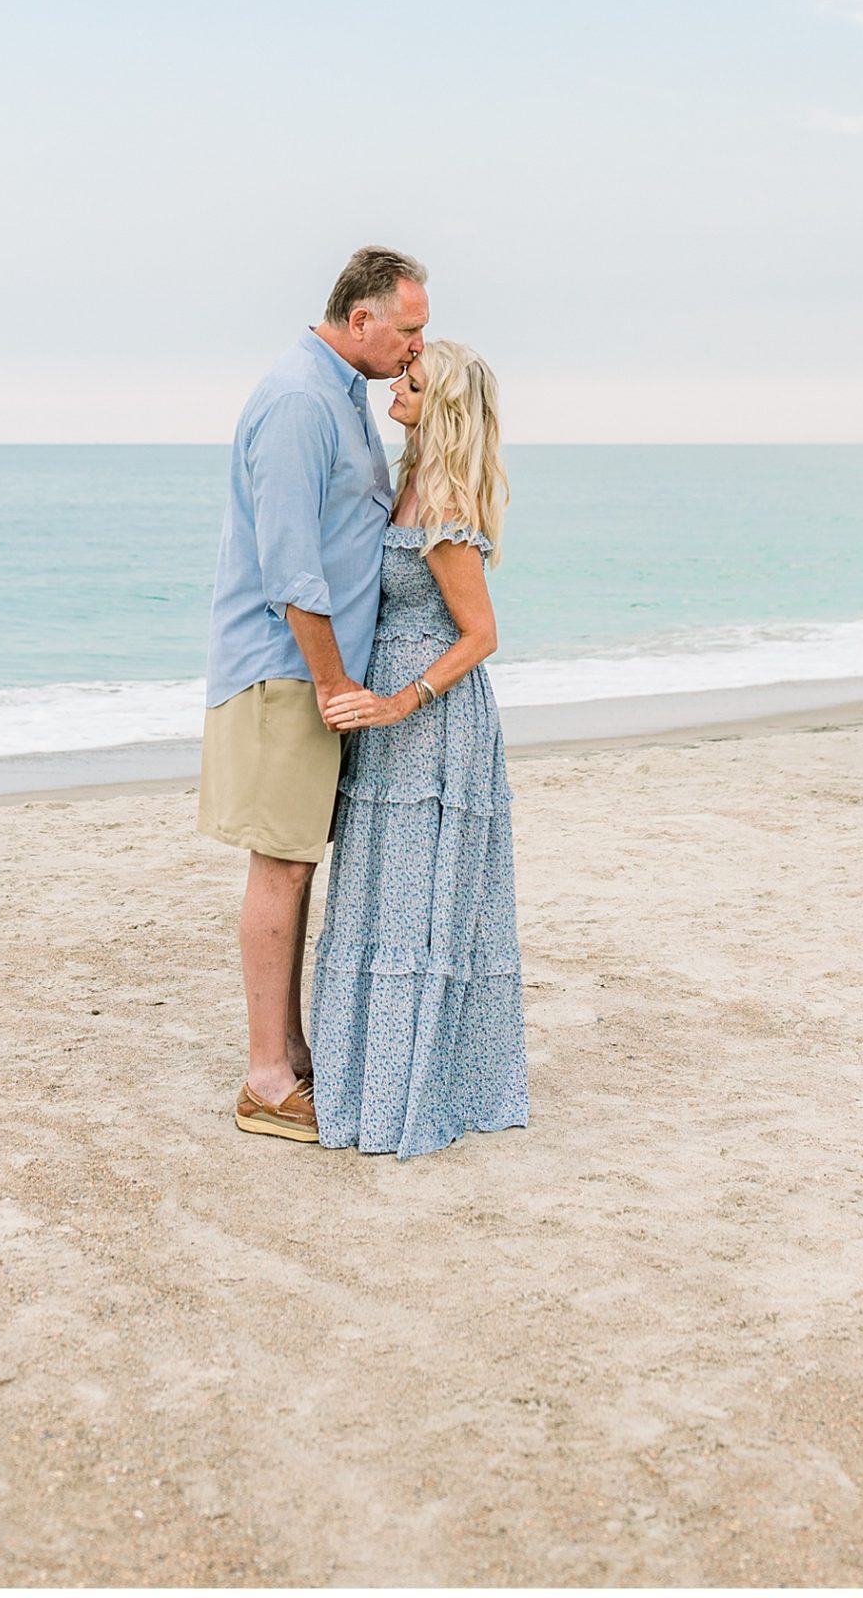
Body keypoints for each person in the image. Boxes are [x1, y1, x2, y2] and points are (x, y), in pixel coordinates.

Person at [200, 246, 430, 1142]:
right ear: (359, 319)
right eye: (407, 330)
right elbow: (290, 567)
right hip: (286, 669)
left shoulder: (342, 394)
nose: (416, 347)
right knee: (282, 860)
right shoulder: (302, 400)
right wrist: (333, 681)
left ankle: (290, 1051)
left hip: (314, 669)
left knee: (296, 859)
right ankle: (265, 1078)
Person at [311, 340, 529, 1159]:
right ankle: (369, 1079)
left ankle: (417, 1089)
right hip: (385, 719)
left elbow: (481, 635)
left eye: (412, 381)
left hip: (431, 722)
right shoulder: (404, 482)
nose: (394, 386)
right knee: (380, 897)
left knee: (421, 906)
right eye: (400, 374)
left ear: (441, 407)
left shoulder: (442, 504)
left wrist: (404, 698)